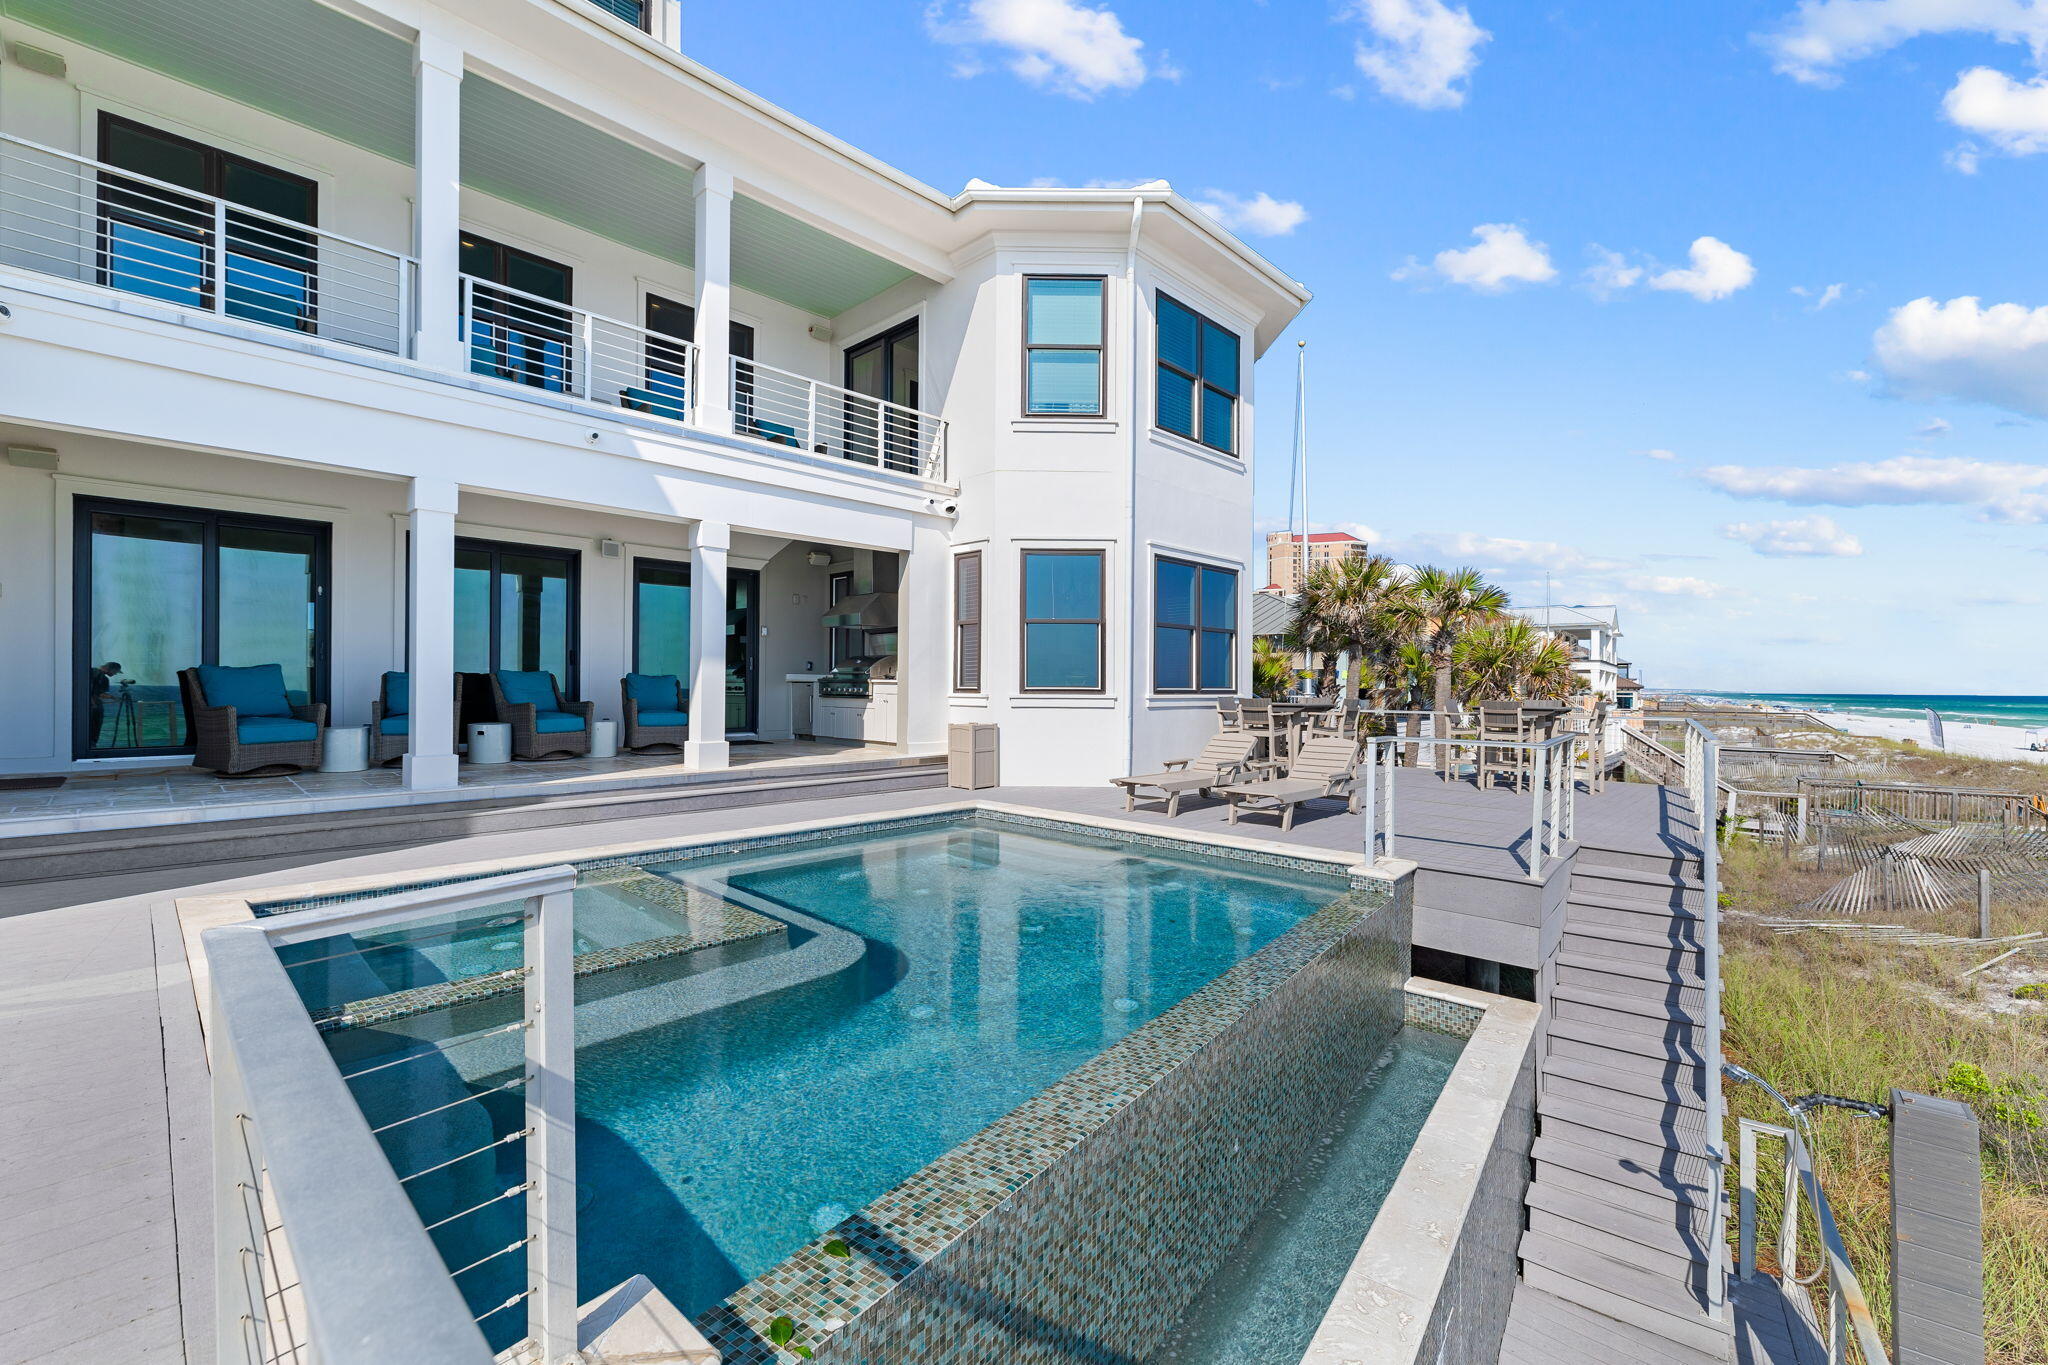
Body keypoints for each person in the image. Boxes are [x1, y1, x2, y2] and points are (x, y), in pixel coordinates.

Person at [87, 661, 123, 747]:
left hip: (86, 706)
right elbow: (99, 694)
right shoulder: (103, 678)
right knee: (95, 728)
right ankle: (92, 746)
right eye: (115, 672)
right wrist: (113, 697)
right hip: (94, 707)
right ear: (111, 669)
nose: (115, 674)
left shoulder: (90, 671)